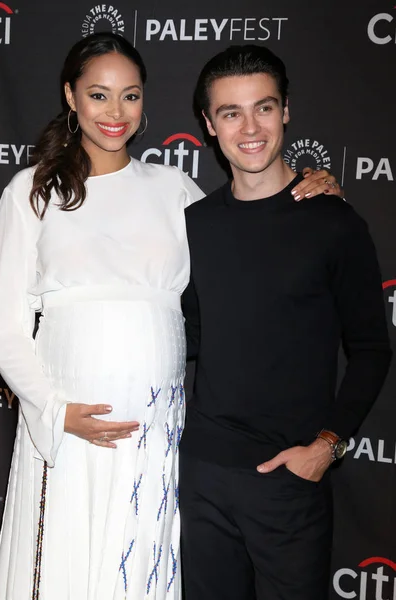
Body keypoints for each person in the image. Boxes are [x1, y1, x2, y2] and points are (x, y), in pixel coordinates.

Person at [0, 32, 342, 600]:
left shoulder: (174, 191)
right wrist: (57, 413)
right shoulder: (30, 192)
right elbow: (6, 327)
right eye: (99, 95)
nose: (115, 112)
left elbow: (252, 248)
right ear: (70, 96)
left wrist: (317, 193)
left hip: (158, 435)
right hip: (71, 432)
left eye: (129, 96)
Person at [180, 44, 392, 600]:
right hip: (201, 477)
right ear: (209, 124)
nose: (250, 127)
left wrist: (327, 445)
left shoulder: (334, 223)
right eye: (230, 112)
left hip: (289, 482)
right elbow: (186, 335)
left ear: (286, 111)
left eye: (263, 108)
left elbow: (372, 348)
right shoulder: (193, 224)